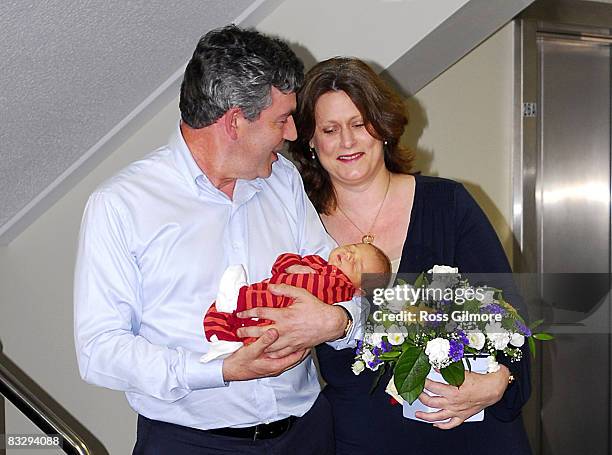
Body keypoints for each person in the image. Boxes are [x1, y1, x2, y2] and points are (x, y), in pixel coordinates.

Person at [74, 27, 361, 454]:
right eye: (281, 120)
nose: (292, 136)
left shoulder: (284, 181)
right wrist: (220, 370)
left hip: (307, 434)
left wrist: (339, 321)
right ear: (234, 122)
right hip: (189, 444)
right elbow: (99, 350)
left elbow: (340, 281)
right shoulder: (120, 205)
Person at [288, 57, 532, 455]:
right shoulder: (300, 226)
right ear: (311, 142)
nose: (347, 142)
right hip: (361, 440)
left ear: (382, 128)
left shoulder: (448, 204)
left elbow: (514, 318)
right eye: (330, 130)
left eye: (358, 123)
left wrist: (501, 381)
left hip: (472, 436)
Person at [202, 243, 391, 362]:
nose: (349, 255)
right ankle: (230, 308)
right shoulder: (315, 262)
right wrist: (293, 265)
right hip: (266, 292)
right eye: (352, 248)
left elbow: (354, 316)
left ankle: (227, 342)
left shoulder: (343, 294)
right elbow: (282, 260)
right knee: (226, 308)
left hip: (279, 319)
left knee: (260, 334)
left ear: (359, 290)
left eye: (357, 265)